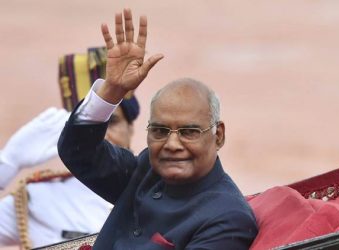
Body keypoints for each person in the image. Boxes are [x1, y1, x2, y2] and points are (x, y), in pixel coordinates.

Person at [58, 8, 258, 249]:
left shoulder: (227, 217)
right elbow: (78, 152)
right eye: (160, 131)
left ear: (219, 136)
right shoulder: (145, 171)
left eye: (189, 132)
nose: (172, 145)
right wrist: (111, 92)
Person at [0, 65, 140, 248]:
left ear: (131, 128)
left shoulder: (157, 189)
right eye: (92, 127)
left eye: (111, 122)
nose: (100, 136)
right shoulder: (38, 197)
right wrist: (7, 163)